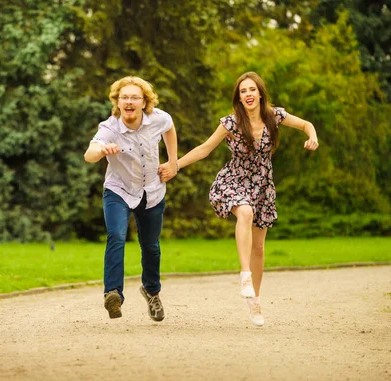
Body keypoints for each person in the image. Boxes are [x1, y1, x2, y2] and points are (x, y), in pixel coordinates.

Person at [159, 71, 319, 326]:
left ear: (260, 93)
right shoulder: (231, 123)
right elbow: (204, 148)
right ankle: (244, 274)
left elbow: (305, 124)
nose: (248, 94)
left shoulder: (274, 116)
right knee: (245, 212)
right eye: (243, 91)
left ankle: (254, 300)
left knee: (259, 247)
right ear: (239, 97)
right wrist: (175, 166)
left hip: (262, 185)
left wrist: (312, 137)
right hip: (234, 179)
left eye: (252, 90)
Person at [84, 76, 178, 322]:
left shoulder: (158, 118)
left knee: (151, 246)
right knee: (116, 235)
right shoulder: (110, 127)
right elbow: (89, 154)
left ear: (144, 101)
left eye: (134, 97)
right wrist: (102, 150)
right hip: (119, 190)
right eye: (124, 97)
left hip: (152, 190)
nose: (129, 101)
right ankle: (113, 293)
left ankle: (151, 290)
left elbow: (169, 127)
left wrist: (173, 162)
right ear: (117, 101)